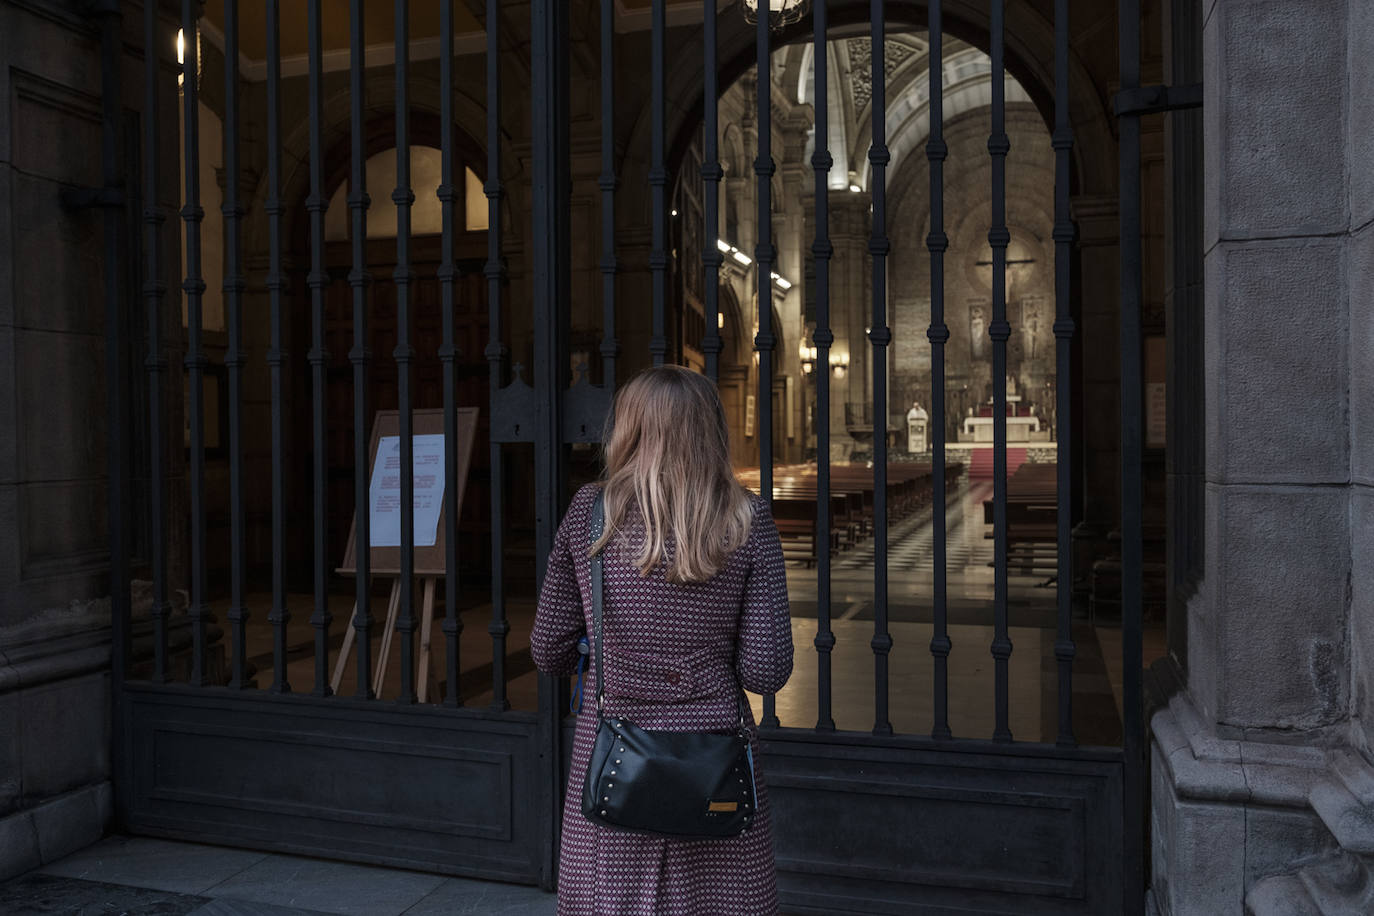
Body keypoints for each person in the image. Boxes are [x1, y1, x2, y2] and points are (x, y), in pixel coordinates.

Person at [531, 365, 794, 916]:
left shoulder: (589, 514)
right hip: (714, 758)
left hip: (613, 755)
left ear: (628, 428)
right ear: (711, 430)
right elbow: (766, 671)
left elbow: (548, 649)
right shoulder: (749, 519)